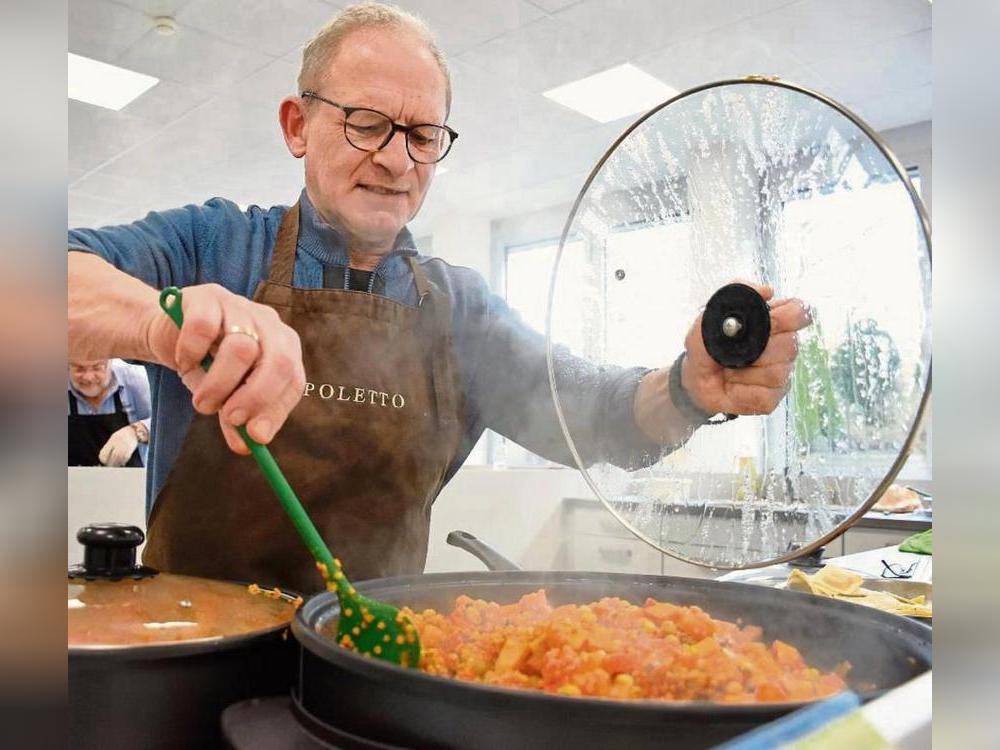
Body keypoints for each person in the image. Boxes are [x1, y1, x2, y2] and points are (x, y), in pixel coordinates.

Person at [67, 3, 809, 591]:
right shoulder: (214, 246)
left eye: (423, 135)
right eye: (367, 124)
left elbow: (601, 415)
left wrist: (689, 388)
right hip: (191, 659)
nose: (395, 160)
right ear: (298, 125)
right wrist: (161, 326)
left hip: (367, 667)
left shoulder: (462, 315)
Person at [68, 358, 151, 467]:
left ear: (110, 361)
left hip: (130, 479)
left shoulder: (136, 379)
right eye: (79, 369)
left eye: (97, 367)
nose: (89, 377)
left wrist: (136, 431)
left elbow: (166, 423)